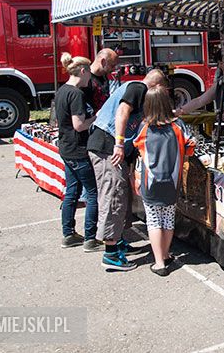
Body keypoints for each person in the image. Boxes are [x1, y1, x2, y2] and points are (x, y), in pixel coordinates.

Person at [88, 68, 168, 271]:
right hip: (107, 147)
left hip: (114, 149)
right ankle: (111, 253)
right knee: (113, 195)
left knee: (121, 195)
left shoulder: (140, 94)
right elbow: (122, 111)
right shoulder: (138, 87)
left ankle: (118, 240)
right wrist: (119, 144)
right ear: (157, 86)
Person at [133, 84, 196, 276]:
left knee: (153, 221)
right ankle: (166, 254)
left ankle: (159, 262)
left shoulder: (144, 127)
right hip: (172, 181)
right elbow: (191, 145)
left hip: (150, 182)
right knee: (168, 219)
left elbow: (137, 149)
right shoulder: (179, 126)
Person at [55, 53, 102, 252]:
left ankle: (68, 234)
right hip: (78, 150)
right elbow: (79, 125)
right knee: (92, 193)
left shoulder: (61, 90)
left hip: (66, 148)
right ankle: (90, 238)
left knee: (71, 193)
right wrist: (96, 117)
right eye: (89, 74)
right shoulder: (76, 94)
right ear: (82, 71)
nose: (90, 78)